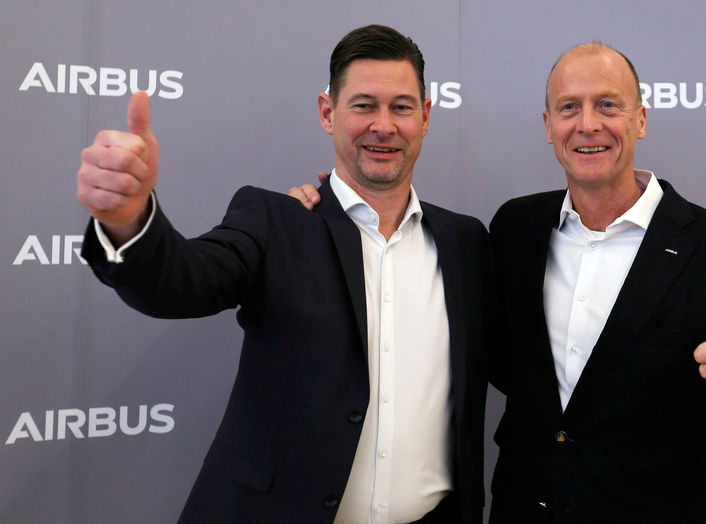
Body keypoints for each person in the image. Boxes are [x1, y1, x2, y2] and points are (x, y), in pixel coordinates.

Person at [77, 24, 495, 524]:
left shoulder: (465, 242)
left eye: (402, 107)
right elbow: (183, 281)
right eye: (364, 105)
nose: (384, 125)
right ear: (327, 112)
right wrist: (129, 220)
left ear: (425, 117)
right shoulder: (277, 221)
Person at [487, 43, 706, 522]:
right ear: (549, 126)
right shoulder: (515, 229)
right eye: (569, 107)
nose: (588, 123)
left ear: (640, 120)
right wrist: (335, 212)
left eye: (608, 105)